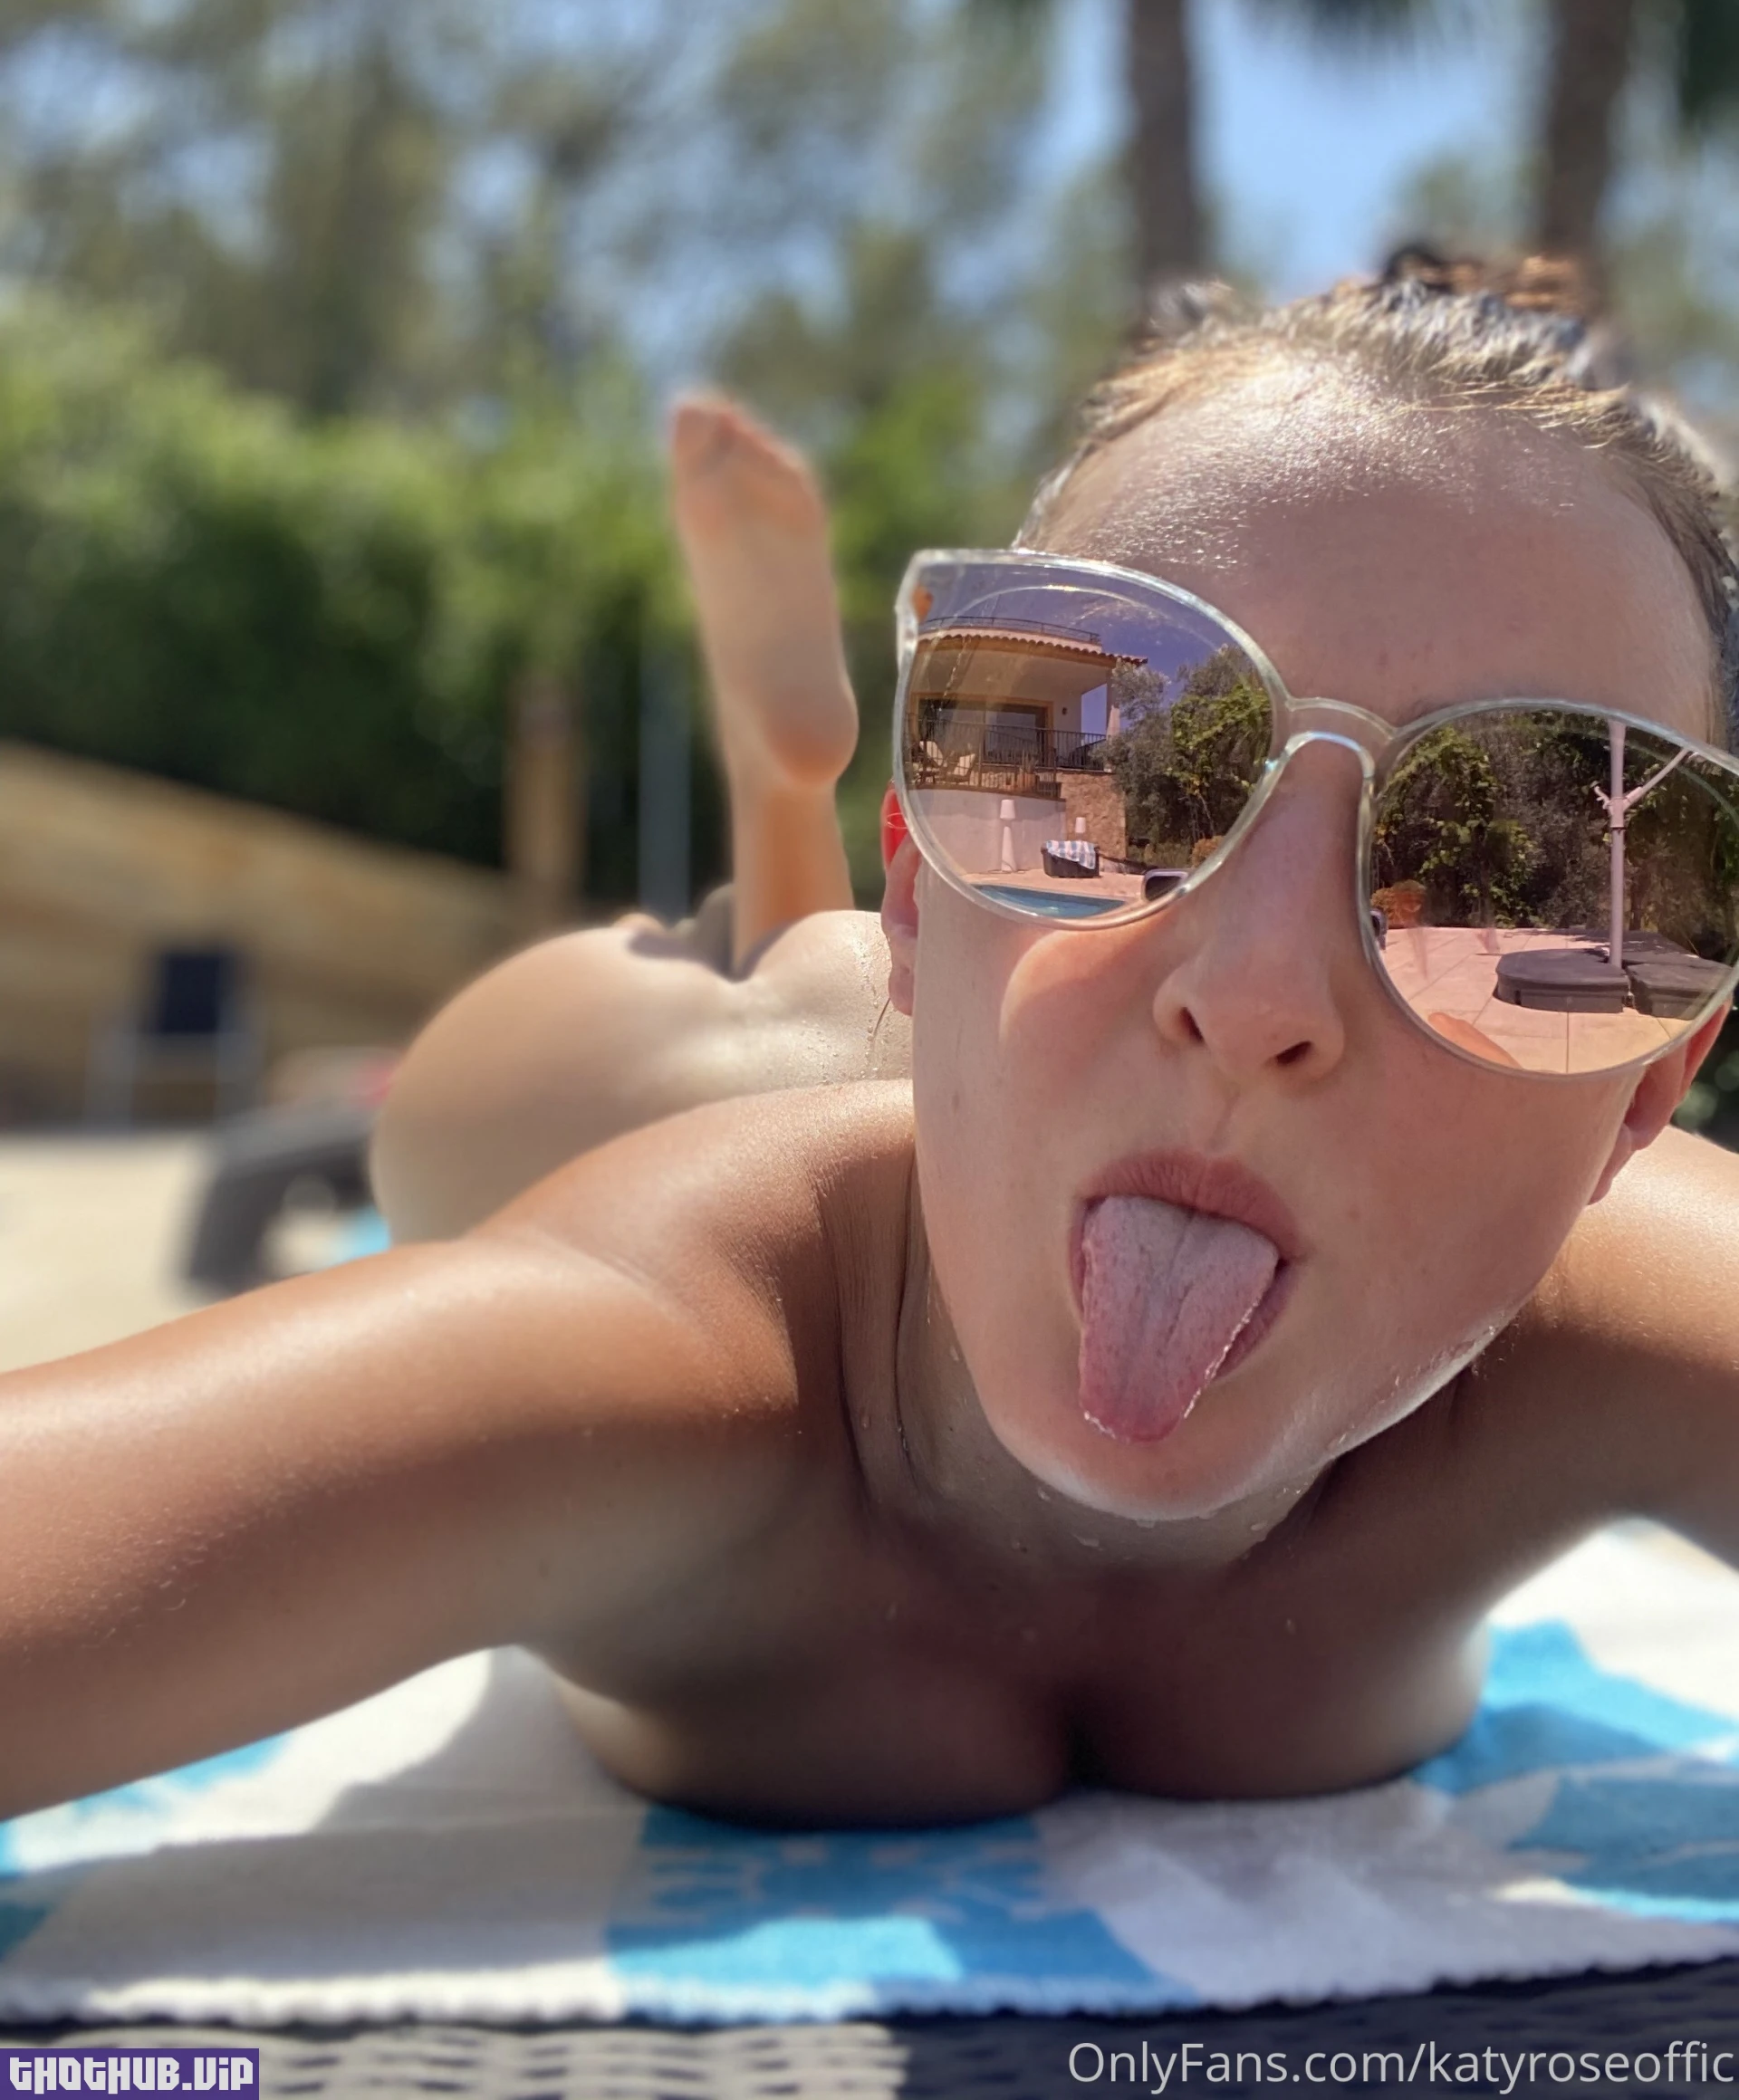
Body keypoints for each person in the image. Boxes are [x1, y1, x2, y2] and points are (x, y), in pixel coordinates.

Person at [6, 254, 1739, 1830]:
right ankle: (789, 814)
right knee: (700, 1043)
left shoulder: (1610, 1308)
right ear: (917, 879)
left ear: (1652, 1090)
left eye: (1528, 881)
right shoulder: (654, 1357)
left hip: (1015, 1051)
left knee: (1004, 1056)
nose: (1260, 992)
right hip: (662, 1070)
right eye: (1112, 760)